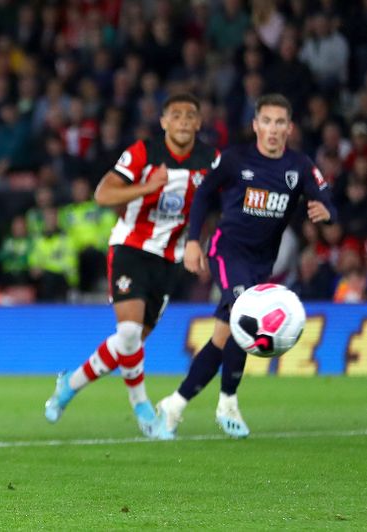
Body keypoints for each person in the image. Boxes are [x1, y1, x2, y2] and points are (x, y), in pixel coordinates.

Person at [155, 93, 336, 439]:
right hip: (228, 250)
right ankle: (227, 402)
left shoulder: (299, 166)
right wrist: (193, 241)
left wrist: (326, 213)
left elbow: (328, 203)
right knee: (243, 313)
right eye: (266, 121)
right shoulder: (235, 159)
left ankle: (175, 403)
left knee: (224, 335)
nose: (272, 129)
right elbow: (204, 195)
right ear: (255, 125)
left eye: (279, 122)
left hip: (260, 263)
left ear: (289, 127)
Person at [45, 93, 219, 438]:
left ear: (199, 123)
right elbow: (103, 195)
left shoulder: (209, 160)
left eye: (190, 116)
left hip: (170, 260)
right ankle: (143, 409)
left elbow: (217, 204)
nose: (183, 121)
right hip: (131, 248)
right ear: (164, 122)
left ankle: (70, 383)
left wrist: (201, 244)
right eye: (176, 115)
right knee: (127, 334)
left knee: (131, 342)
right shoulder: (143, 153)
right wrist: (146, 187)